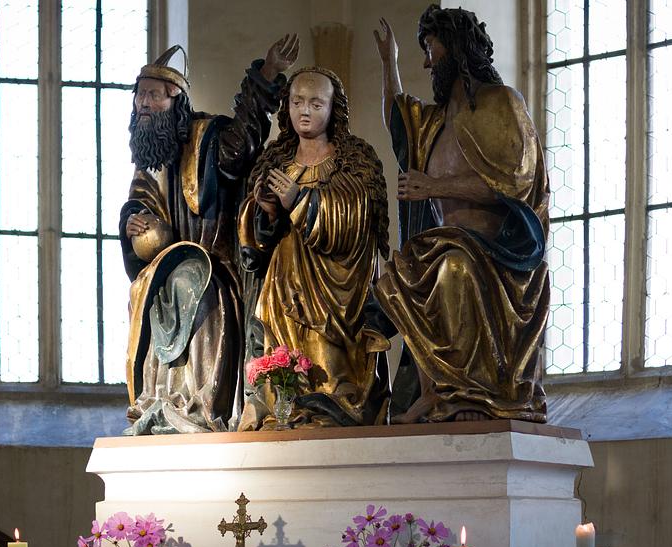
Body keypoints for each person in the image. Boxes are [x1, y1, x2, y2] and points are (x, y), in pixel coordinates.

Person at [372, 5, 550, 423]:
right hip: (444, 243)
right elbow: (399, 120)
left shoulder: (500, 103)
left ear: (455, 47)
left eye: (431, 49)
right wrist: (388, 62)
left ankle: (469, 394)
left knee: (453, 268)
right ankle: (436, 391)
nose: (426, 62)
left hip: (496, 251)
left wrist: (434, 187)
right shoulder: (436, 121)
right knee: (396, 277)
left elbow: (513, 183)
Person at [120, 37, 299, 435]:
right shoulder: (149, 160)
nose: (143, 104)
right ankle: (158, 401)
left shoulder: (207, 138)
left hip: (217, 268)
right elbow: (138, 204)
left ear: (176, 100)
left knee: (190, 283)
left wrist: (267, 73)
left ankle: (196, 405)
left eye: (153, 96)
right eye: (140, 96)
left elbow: (241, 145)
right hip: (164, 268)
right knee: (153, 291)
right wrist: (133, 222)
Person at [237, 67, 390, 429]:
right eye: (297, 102)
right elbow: (253, 247)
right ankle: (280, 407)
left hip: (333, 291)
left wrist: (300, 201)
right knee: (281, 364)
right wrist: (266, 213)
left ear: (333, 109)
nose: (304, 111)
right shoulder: (275, 162)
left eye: (316, 104)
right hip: (282, 286)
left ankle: (331, 405)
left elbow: (356, 221)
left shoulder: (353, 160)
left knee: (328, 375)